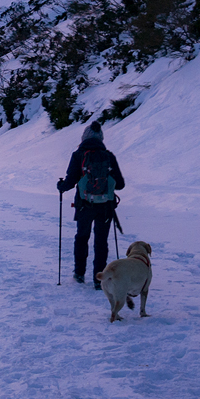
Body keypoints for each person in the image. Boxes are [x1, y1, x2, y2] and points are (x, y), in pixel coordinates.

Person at [58, 119, 126, 289]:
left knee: (82, 238)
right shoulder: (109, 156)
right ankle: (99, 279)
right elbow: (120, 184)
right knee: (101, 241)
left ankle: (79, 274)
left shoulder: (78, 155)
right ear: (101, 139)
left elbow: (70, 181)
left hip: (84, 205)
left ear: (83, 138)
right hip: (105, 207)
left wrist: (60, 186)